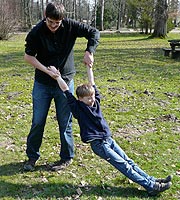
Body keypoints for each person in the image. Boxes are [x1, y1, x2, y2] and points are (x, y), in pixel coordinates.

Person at [48, 65, 172, 196]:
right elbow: (66, 90)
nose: (92, 100)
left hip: (108, 139)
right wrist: (58, 77)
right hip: (99, 144)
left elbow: (92, 83)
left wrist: (89, 68)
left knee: (129, 161)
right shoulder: (77, 108)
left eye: (92, 96)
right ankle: (151, 186)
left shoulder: (96, 102)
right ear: (80, 99)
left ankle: (152, 180)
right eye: (88, 98)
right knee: (124, 166)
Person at [23, 2, 100, 172]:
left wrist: (89, 51)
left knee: (65, 121)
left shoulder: (71, 26)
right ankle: (32, 157)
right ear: (45, 16)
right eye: (50, 22)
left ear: (62, 20)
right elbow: (28, 57)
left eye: (57, 23)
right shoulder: (36, 32)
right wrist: (47, 71)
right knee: (37, 121)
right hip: (43, 83)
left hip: (65, 82)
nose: (53, 26)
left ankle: (66, 157)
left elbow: (94, 32)